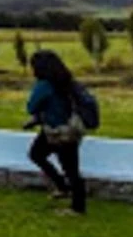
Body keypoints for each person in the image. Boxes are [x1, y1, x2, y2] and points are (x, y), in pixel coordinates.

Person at [26, 50, 87, 216]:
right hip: (72, 129)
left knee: (65, 167)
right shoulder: (67, 82)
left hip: (56, 131)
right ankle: (62, 186)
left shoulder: (44, 85)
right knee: (67, 165)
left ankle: (77, 207)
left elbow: (31, 106)